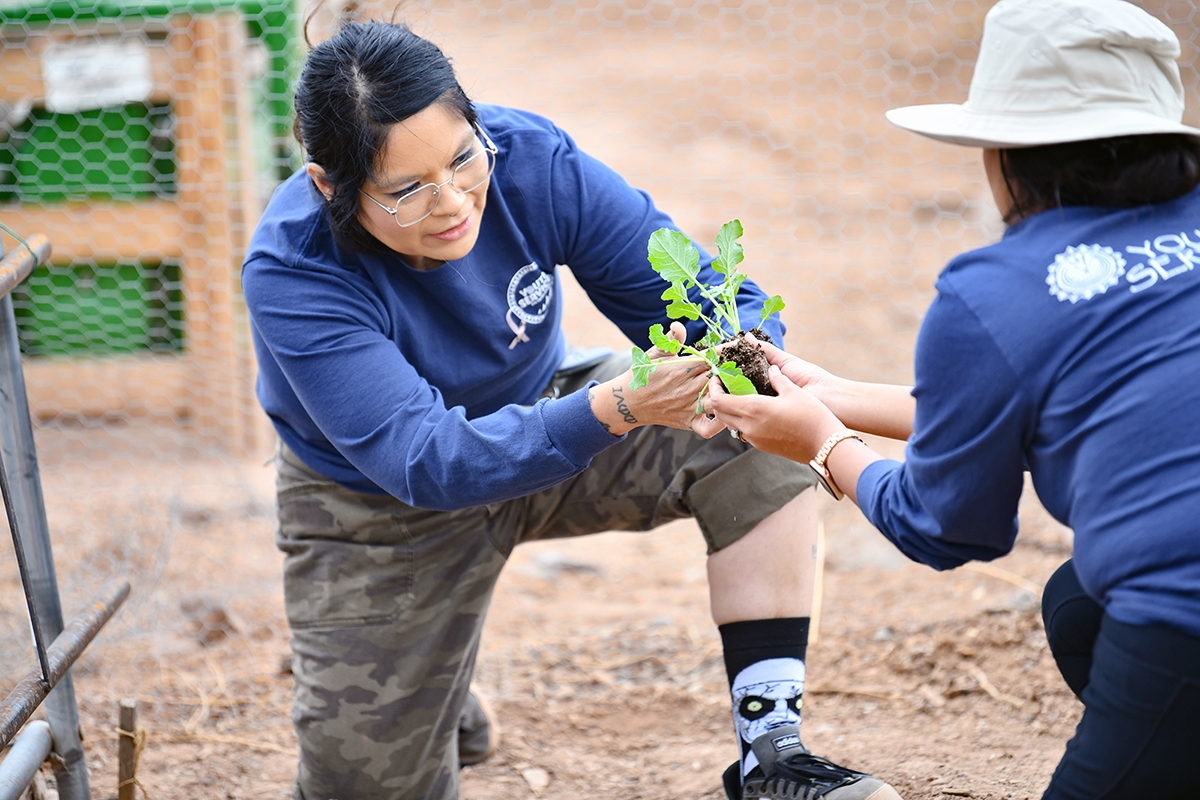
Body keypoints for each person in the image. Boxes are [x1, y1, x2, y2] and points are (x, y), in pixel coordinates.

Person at [241, 17, 902, 800]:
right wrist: (618, 406)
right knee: (365, 788)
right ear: (330, 186)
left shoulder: (532, 161)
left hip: (545, 413)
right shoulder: (294, 269)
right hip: (378, 509)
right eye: (408, 189)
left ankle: (771, 753)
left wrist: (747, 357)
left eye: (462, 159)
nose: (453, 202)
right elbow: (423, 461)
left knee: (748, 421)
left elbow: (698, 297)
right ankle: (425, 685)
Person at [706, 1, 1200, 798]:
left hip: (1188, 608)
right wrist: (834, 398)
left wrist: (824, 445)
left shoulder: (994, 290)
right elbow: (1068, 400)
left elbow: (947, 528)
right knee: (1079, 605)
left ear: (1009, 152)